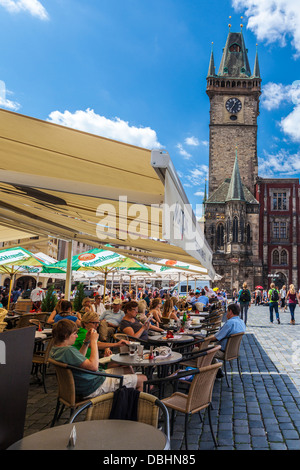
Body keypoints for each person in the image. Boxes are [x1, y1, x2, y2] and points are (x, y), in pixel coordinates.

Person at [50, 319, 146, 398]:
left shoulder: (56, 350)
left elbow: (80, 359)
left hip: (85, 382)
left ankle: (123, 401)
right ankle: (134, 412)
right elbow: (94, 367)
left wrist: (86, 341)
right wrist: (94, 341)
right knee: (143, 379)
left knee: (127, 369)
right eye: (74, 333)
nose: (76, 336)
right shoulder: (68, 350)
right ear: (66, 335)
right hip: (93, 386)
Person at [206, 303, 246, 377]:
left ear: (230, 311)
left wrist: (204, 340)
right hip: (234, 351)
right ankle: (217, 369)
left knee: (203, 351)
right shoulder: (241, 322)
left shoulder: (230, 323)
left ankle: (207, 375)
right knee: (208, 349)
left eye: (227, 311)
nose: (226, 313)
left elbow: (216, 337)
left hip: (223, 351)